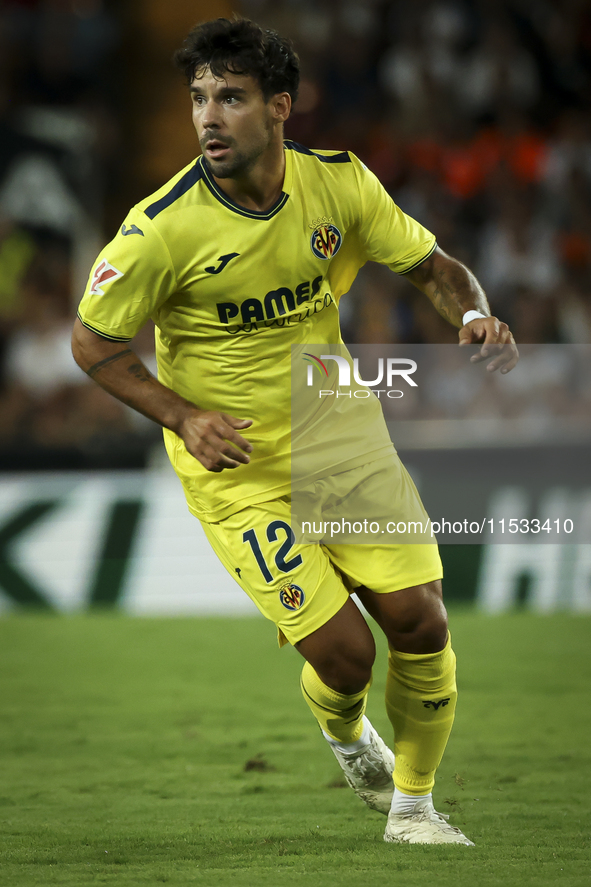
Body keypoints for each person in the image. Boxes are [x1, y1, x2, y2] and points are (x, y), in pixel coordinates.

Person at [71, 17, 518, 845]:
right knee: (345, 656)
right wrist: (183, 415)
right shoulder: (159, 229)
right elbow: (92, 340)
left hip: (334, 428)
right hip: (235, 465)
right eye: (199, 97)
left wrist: (476, 316)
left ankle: (414, 810)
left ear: (280, 107)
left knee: (419, 617)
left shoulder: (339, 185)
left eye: (230, 98)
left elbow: (432, 266)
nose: (208, 116)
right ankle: (346, 731)